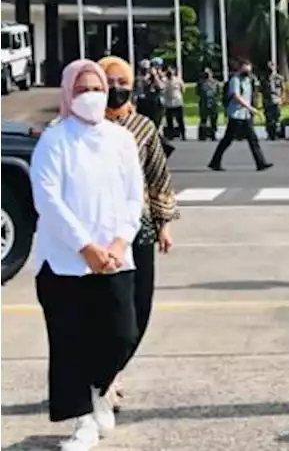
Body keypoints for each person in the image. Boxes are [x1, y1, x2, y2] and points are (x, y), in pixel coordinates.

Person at [30, 59, 144, 451]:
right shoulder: (55, 139)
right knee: (70, 341)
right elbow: (48, 199)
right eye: (81, 90)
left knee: (121, 333)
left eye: (97, 88)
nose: (91, 96)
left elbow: (134, 197)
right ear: (67, 94)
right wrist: (85, 247)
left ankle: (100, 388)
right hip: (64, 262)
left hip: (115, 259)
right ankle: (82, 421)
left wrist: (117, 244)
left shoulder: (121, 140)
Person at [98, 55, 180, 413]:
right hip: (99, 231)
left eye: (122, 81)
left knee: (139, 307)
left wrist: (163, 224)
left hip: (140, 228)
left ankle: (112, 367)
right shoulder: (86, 127)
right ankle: (106, 377)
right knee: (105, 309)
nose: (116, 88)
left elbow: (158, 176)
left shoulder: (144, 127)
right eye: (108, 81)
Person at [207, 58, 271, 172]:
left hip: (245, 115)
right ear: (240, 68)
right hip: (236, 114)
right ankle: (215, 162)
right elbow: (236, 96)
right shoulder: (235, 80)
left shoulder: (248, 80)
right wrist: (251, 108)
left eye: (249, 69)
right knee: (227, 140)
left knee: (253, 139)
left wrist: (252, 107)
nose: (248, 71)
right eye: (246, 68)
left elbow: (250, 96)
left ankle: (261, 163)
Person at [160, 67, 185, 140]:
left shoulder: (177, 79)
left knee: (180, 120)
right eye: (168, 72)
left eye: (171, 72)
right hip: (168, 103)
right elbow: (162, 88)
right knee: (169, 120)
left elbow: (183, 88)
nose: (170, 73)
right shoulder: (164, 80)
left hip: (177, 102)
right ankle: (171, 135)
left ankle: (183, 134)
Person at [262, 61, 285, 141]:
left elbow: (283, 89)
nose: (270, 69)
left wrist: (281, 98)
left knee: (277, 118)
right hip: (267, 101)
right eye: (268, 67)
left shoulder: (279, 78)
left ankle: (277, 134)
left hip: (276, 100)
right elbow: (261, 90)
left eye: (271, 66)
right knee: (268, 119)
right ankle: (269, 134)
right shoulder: (264, 79)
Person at [197, 68, 221, 141]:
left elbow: (218, 93)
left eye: (208, 73)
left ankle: (213, 135)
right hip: (204, 104)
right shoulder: (200, 83)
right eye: (205, 73)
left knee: (213, 120)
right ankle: (202, 135)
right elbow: (198, 93)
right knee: (203, 120)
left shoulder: (216, 82)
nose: (207, 75)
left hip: (213, 104)